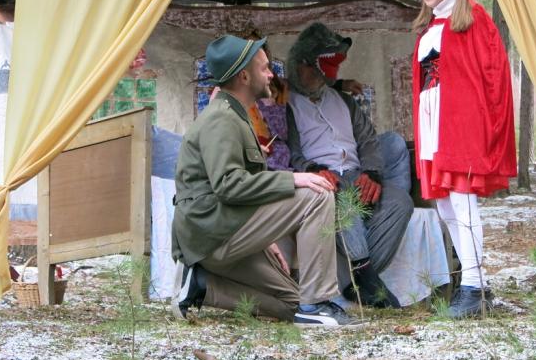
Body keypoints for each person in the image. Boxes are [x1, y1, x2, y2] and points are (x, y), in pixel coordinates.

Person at [171, 35, 357, 327]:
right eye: (265, 68)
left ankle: (203, 286)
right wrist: (293, 178)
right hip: (213, 234)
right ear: (244, 76)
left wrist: (264, 236)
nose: (272, 74)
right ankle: (317, 303)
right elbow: (229, 185)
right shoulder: (221, 119)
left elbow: (244, 186)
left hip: (221, 232)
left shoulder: (236, 115)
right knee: (317, 194)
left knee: (292, 303)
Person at [411, 0, 516, 318]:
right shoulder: (433, 25)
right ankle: (475, 283)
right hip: (433, 119)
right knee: (444, 203)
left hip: (461, 121)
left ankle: (473, 285)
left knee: (461, 197)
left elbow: (493, 75)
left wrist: (486, 123)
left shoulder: (473, 19)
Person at [285, 23, 413, 308]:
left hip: (356, 173)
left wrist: (372, 173)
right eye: (312, 70)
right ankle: (365, 278)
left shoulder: (343, 100)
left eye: (321, 73)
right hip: (325, 177)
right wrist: (312, 169)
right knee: (341, 202)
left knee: (400, 202)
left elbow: (368, 141)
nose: (318, 77)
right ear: (299, 65)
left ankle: (363, 277)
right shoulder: (287, 103)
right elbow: (290, 151)